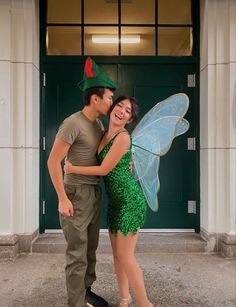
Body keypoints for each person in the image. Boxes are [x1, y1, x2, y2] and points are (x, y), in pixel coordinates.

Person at [64, 96, 154, 307]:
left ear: (130, 119)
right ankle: (125, 299)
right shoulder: (104, 133)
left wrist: (72, 169)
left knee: (126, 256)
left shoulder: (123, 137)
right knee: (117, 256)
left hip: (130, 201)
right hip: (116, 202)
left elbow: (104, 170)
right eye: (119, 105)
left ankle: (145, 304)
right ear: (112, 108)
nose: (121, 110)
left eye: (128, 111)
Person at [47, 57, 119, 307]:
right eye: (109, 97)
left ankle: (86, 292)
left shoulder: (97, 123)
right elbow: (52, 162)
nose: (112, 102)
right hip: (75, 193)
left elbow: (103, 155)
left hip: (93, 192)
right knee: (77, 253)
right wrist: (62, 198)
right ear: (95, 98)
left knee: (90, 250)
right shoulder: (72, 123)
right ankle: (75, 303)